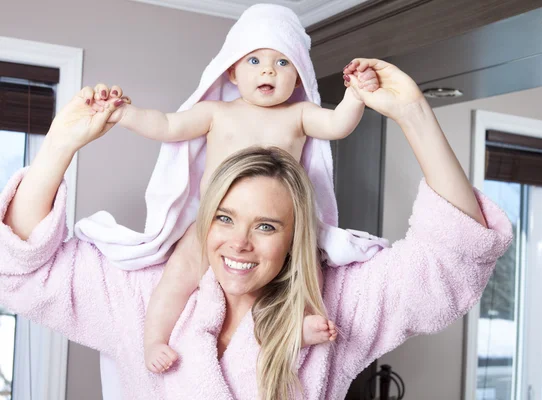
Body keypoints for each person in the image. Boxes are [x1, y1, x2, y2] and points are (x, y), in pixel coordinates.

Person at [0, 58, 512, 399]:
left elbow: (451, 260)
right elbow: (22, 268)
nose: (238, 242)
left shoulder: (337, 305)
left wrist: (415, 115)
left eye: (267, 225)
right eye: (224, 217)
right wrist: (60, 146)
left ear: (295, 237)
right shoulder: (143, 297)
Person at [84, 4, 380, 373]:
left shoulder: (298, 116)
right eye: (254, 60)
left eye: (283, 62)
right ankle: (153, 338)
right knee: (178, 274)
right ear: (233, 73)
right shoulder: (216, 112)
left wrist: (356, 94)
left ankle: (298, 324)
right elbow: (166, 125)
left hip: (273, 225)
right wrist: (123, 114)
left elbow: (338, 125)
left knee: (307, 269)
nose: (269, 69)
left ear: (300, 77)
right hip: (214, 222)